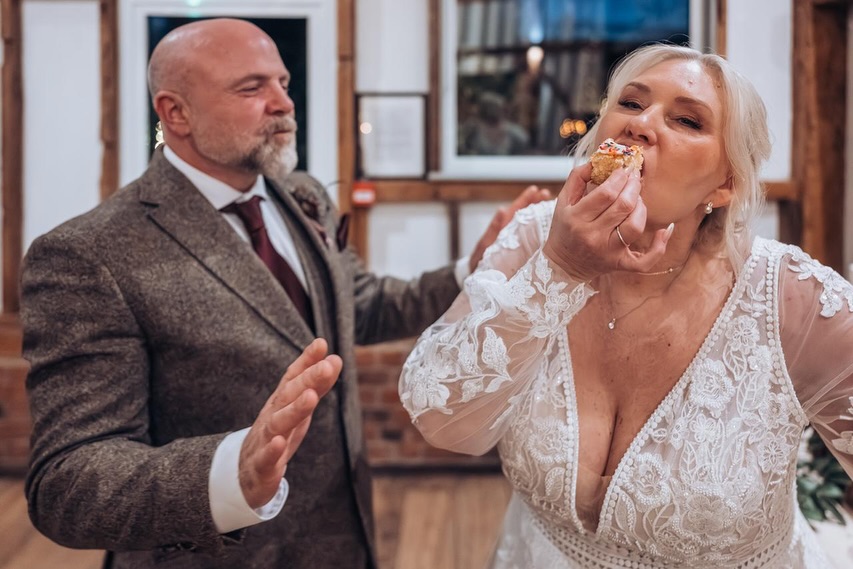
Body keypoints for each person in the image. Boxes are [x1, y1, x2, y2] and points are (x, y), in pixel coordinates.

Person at [21, 18, 550, 569]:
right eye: (252, 88)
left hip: (342, 536)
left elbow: (360, 308)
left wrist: (478, 267)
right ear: (175, 112)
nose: (282, 104)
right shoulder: (89, 253)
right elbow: (68, 481)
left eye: (284, 83)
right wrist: (231, 471)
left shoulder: (303, 195)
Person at [400, 43, 853, 568]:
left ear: (725, 183)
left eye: (686, 120)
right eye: (631, 104)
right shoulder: (533, 241)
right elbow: (443, 420)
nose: (642, 125)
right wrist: (558, 271)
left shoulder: (790, 299)